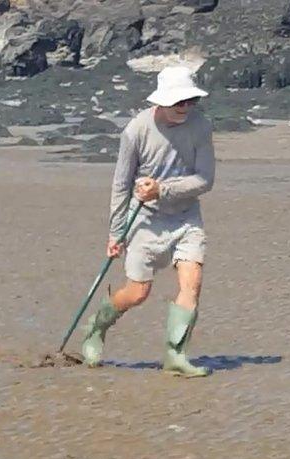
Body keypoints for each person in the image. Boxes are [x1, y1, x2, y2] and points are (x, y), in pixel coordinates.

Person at [80, 65, 215, 378]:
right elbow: (121, 184)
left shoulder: (202, 126)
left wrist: (163, 190)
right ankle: (96, 328)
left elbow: (206, 179)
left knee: (192, 284)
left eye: (190, 101)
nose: (185, 107)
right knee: (138, 293)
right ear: (162, 101)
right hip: (143, 219)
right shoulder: (136, 130)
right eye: (178, 102)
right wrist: (116, 234)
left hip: (186, 216)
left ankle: (175, 356)